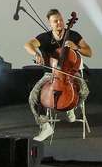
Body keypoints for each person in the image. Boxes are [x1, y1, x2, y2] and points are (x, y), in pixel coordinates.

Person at [23, 9, 92, 141]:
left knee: (84, 91)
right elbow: (28, 44)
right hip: (51, 74)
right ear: (50, 24)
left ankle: (71, 106)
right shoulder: (44, 37)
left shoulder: (73, 35)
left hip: (71, 74)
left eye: (60, 20)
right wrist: (36, 54)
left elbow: (89, 52)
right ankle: (45, 127)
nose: (59, 23)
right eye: (55, 21)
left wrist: (76, 47)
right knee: (33, 97)